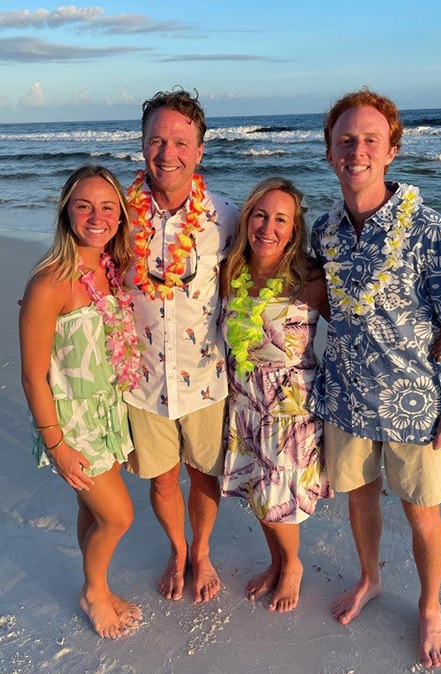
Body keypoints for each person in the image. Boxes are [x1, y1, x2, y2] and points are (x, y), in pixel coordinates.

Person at [310, 89, 441, 668]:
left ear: (392, 151)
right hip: (347, 398)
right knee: (359, 499)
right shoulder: (324, 232)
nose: (357, 151)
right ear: (330, 153)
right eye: (346, 141)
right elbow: (335, 303)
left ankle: (430, 606)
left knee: (421, 511)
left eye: (370, 141)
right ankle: (370, 578)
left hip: (414, 405)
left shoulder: (431, 231)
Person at [124, 88, 239, 604]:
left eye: (179, 142)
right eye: (156, 140)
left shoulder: (228, 217)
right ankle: (177, 550)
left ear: (199, 151)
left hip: (207, 377)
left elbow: (274, 268)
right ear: (142, 144)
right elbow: (79, 262)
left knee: (203, 474)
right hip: (142, 380)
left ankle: (204, 551)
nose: (167, 153)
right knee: (164, 479)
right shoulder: (119, 217)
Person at [19, 165, 142, 639]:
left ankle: (100, 585)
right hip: (72, 422)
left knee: (93, 512)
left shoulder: (110, 269)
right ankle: (93, 593)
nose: (97, 216)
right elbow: (32, 375)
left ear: (120, 216)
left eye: (108, 206)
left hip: (107, 415)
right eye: (84, 205)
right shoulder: (49, 282)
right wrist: (57, 444)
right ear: (66, 211)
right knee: (119, 516)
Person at [220, 177, 333, 613]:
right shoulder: (230, 272)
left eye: (280, 219)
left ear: (293, 229)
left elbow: (359, 321)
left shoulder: (311, 278)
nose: (268, 227)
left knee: (277, 500)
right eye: (260, 215)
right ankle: (276, 561)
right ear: (247, 218)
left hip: (290, 408)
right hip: (244, 402)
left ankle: (292, 567)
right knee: (257, 492)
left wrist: (432, 336)